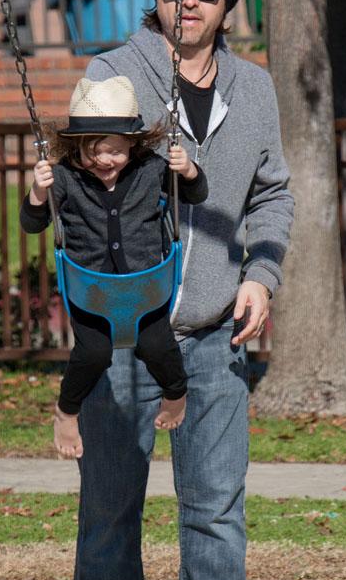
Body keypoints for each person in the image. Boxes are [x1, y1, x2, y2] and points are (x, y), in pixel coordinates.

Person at [71, 0, 294, 580]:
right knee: (107, 510)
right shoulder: (113, 73)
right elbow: (79, 177)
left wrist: (261, 275)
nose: (187, 1)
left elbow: (272, 194)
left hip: (212, 334)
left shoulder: (256, 88)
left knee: (214, 511)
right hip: (124, 333)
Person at [20, 76, 208, 457]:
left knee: (158, 346)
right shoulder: (65, 179)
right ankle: (66, 411)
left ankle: (175, 394)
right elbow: (31, 223)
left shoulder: (152, 169)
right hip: (90, 288)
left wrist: (187, 170)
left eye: (116, 151)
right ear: (76, 147)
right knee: (93, 353)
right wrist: (38, 193)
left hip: (146, 285)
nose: (105, 160)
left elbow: (196, 194)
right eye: (94, 151)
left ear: (133, 146)